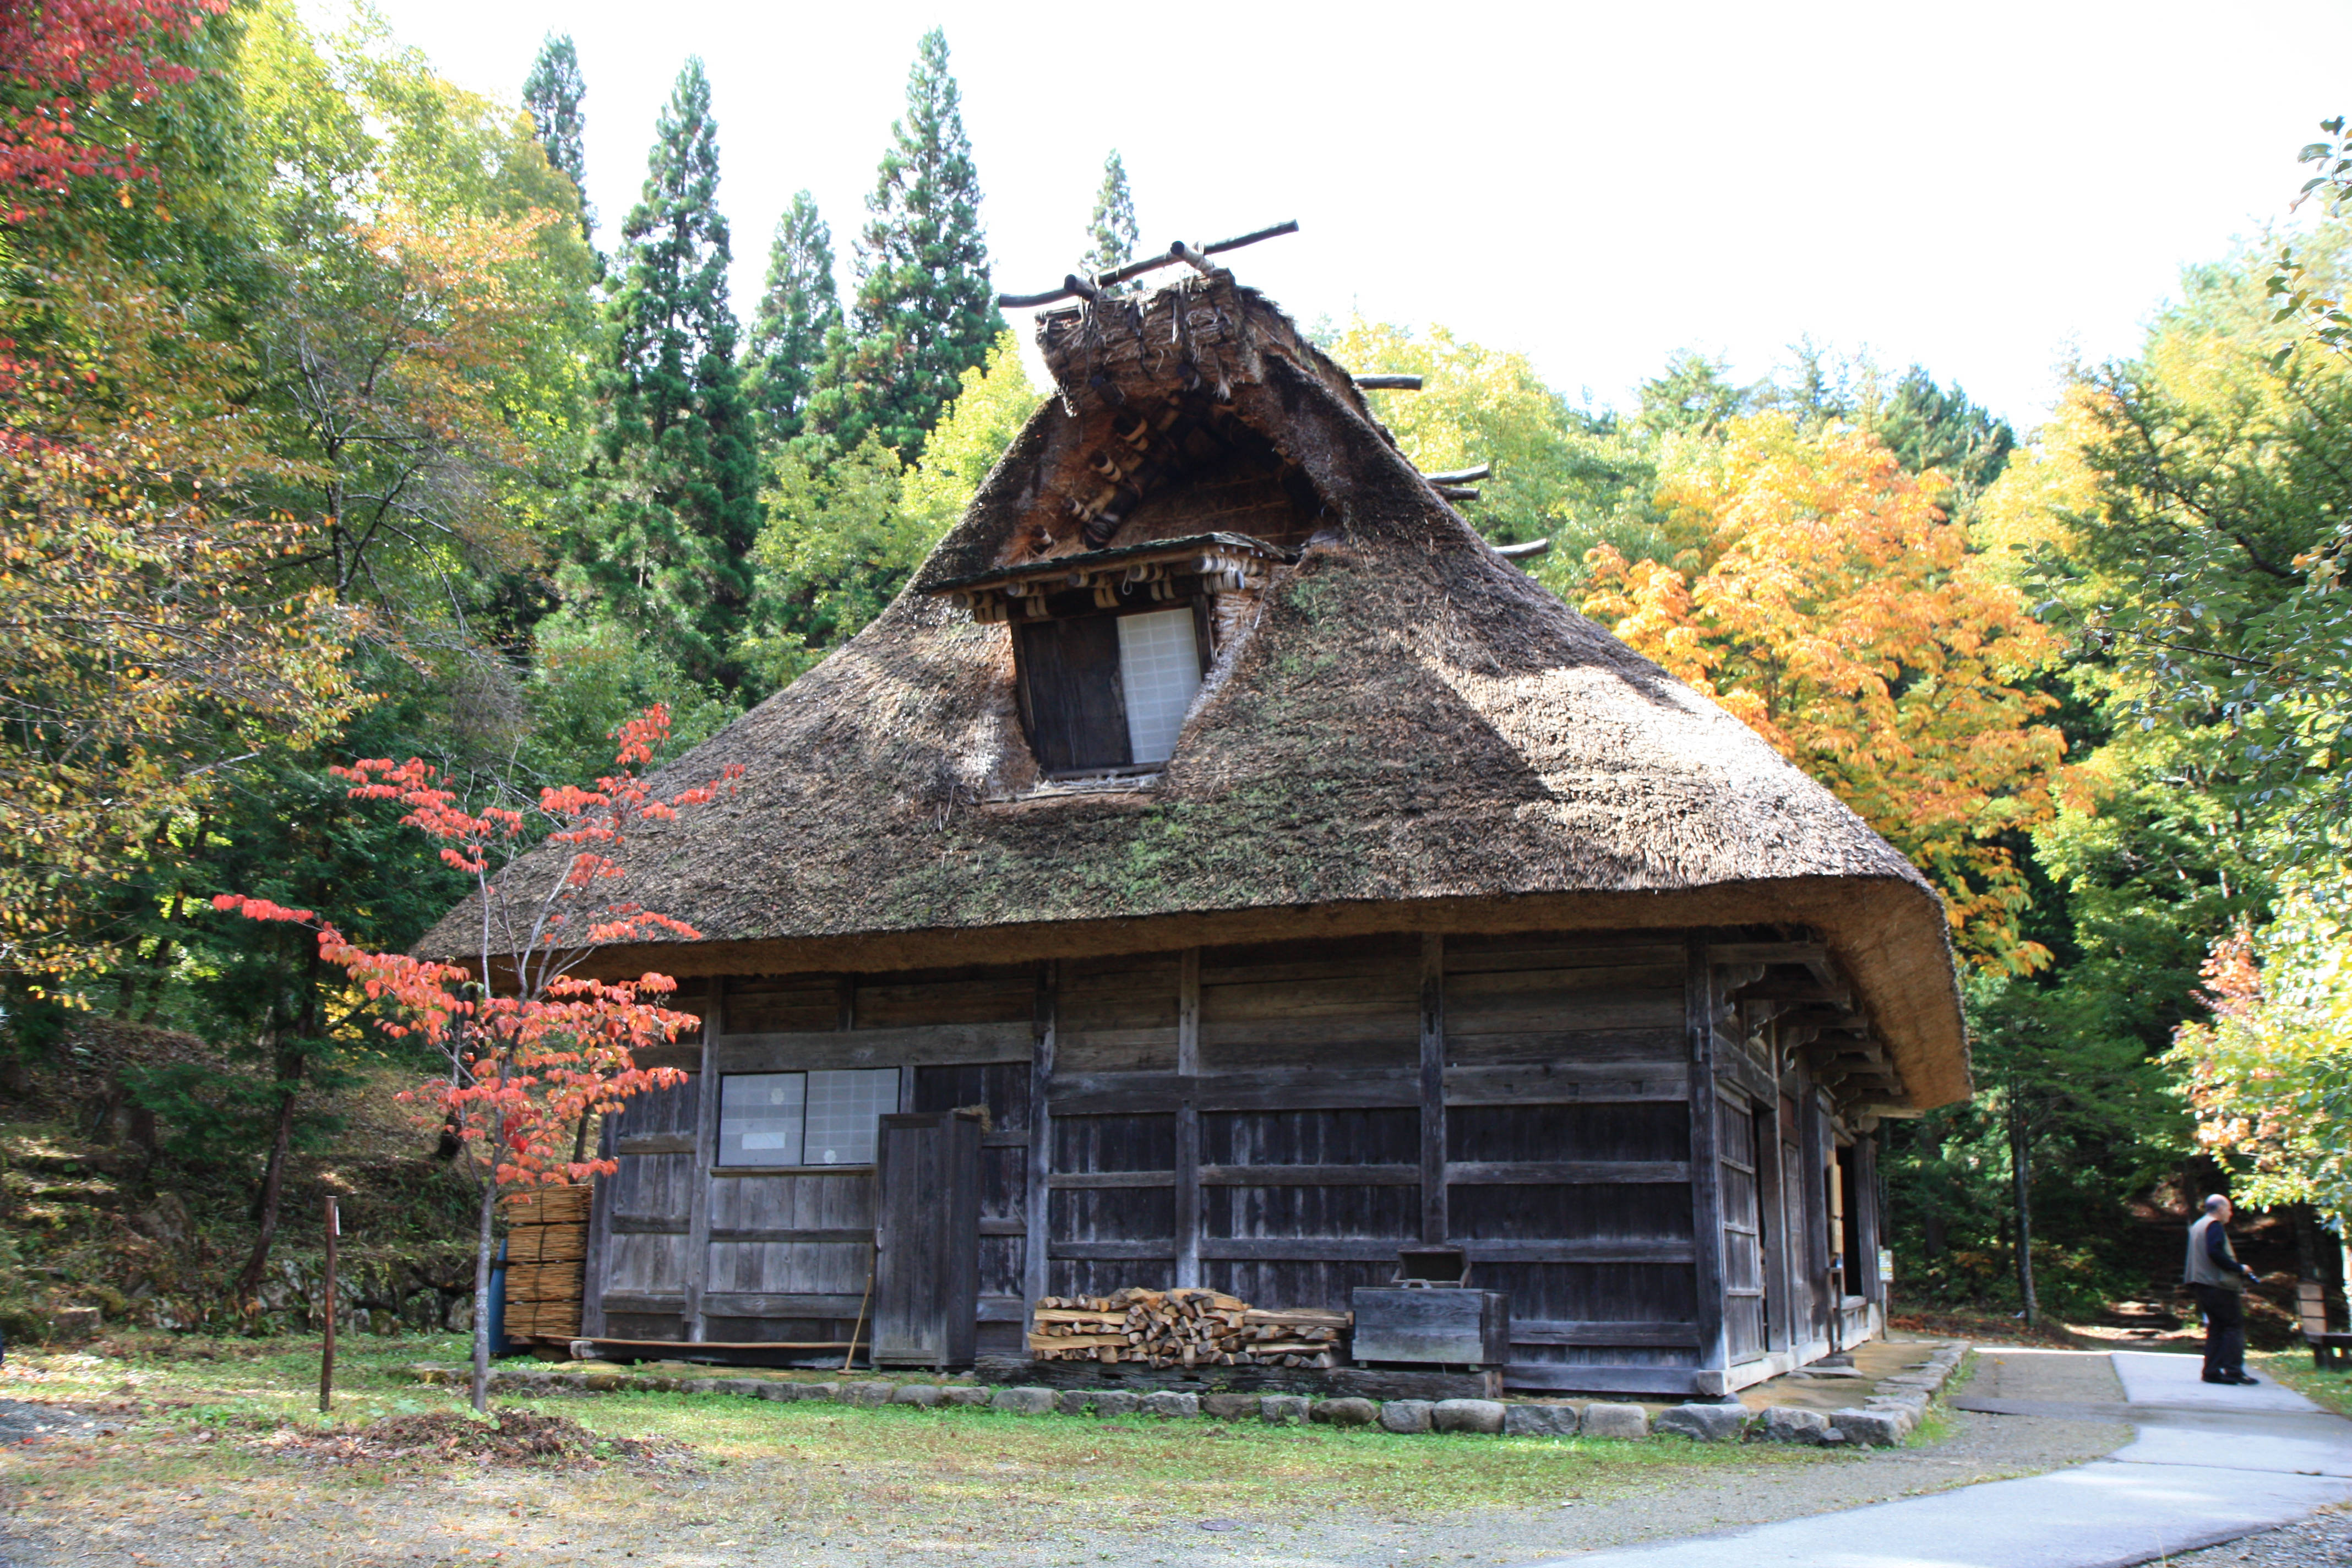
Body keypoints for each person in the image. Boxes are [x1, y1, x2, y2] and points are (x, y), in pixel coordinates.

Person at [2184, 1193, 2262, 1385]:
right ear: (2219, 1210)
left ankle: (2212, 1371)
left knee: (2217, 1327)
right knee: (2233, 1327)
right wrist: (2239, 1268)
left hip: (2202, 1284)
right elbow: (2215, 1253)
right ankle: (2234, 1372)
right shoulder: (2214, 1226)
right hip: (2218, 1285)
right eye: (2229, 1209)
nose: (2231, 1214)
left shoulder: (2198, 1225)